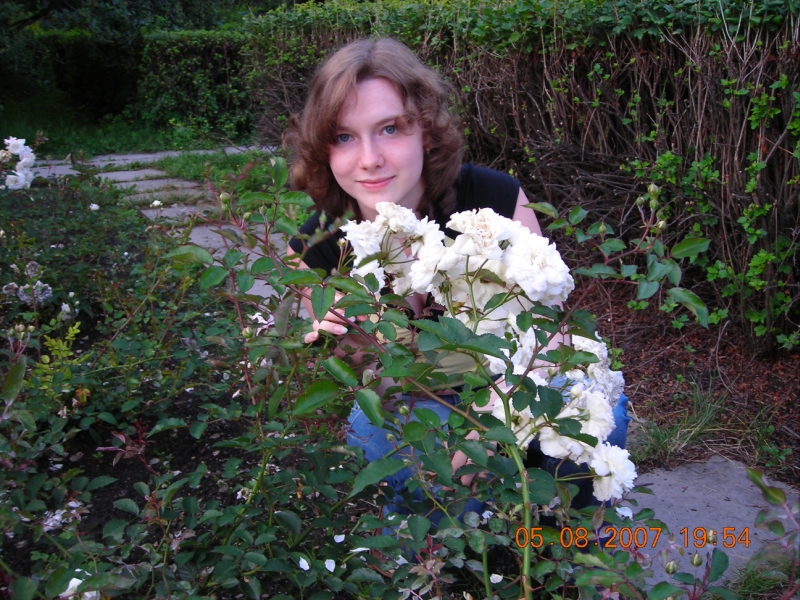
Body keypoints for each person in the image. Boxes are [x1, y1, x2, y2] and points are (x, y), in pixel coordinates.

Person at [285, 38, 630, 526]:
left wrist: (492, 422)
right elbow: (376, 383)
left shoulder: (492, 198)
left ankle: (581, 544)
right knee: (387, 439)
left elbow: (547, 335)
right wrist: (351, 345)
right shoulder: (318, 248)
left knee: (592, 414)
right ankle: (433, 554)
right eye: (344, 136)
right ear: (322, 148)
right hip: (417, 399)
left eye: (390, 128)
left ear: (425, 129)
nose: (369, 158)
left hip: (516, 381)